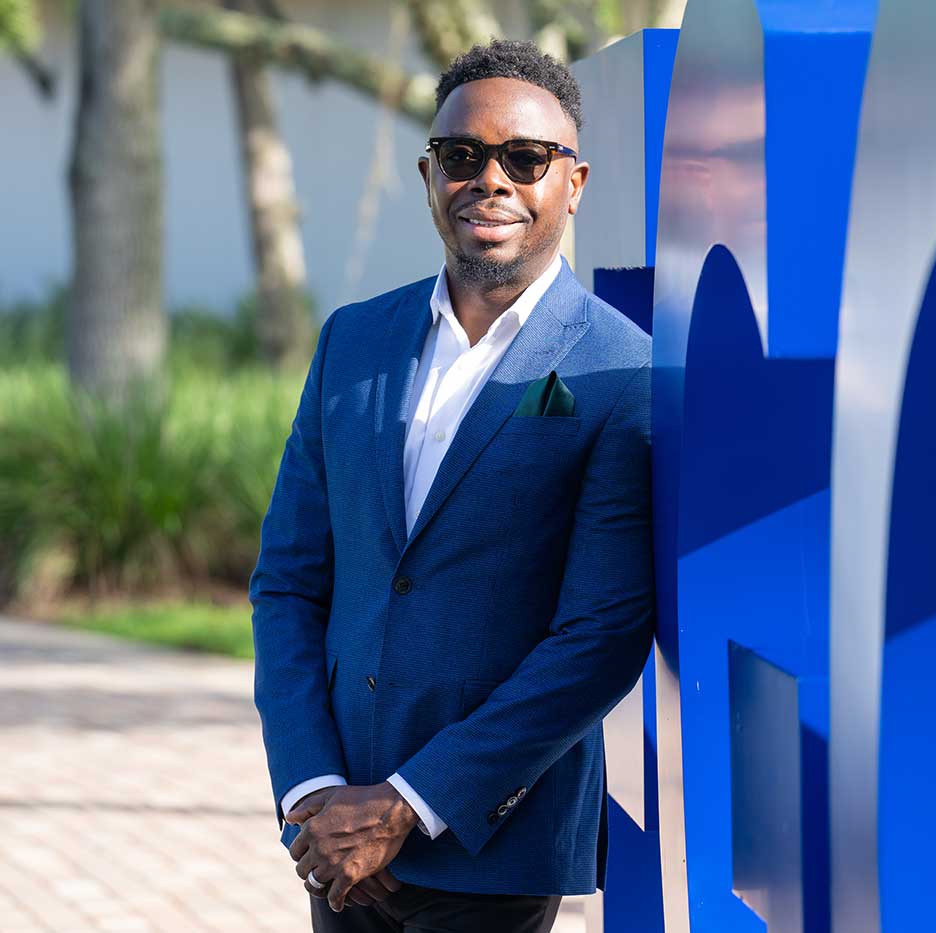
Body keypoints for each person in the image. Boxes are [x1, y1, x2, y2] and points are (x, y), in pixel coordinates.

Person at [248, 38, 654, 932]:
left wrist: (405, 803)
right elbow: (288, 582)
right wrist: (314, 791)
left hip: (490, 839)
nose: (492, 179)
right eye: (463, 156)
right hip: (336, 838)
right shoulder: (354, 342)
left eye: (526, 158)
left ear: (572, 183)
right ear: (431, 173)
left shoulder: (625, 372)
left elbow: (601, 634)